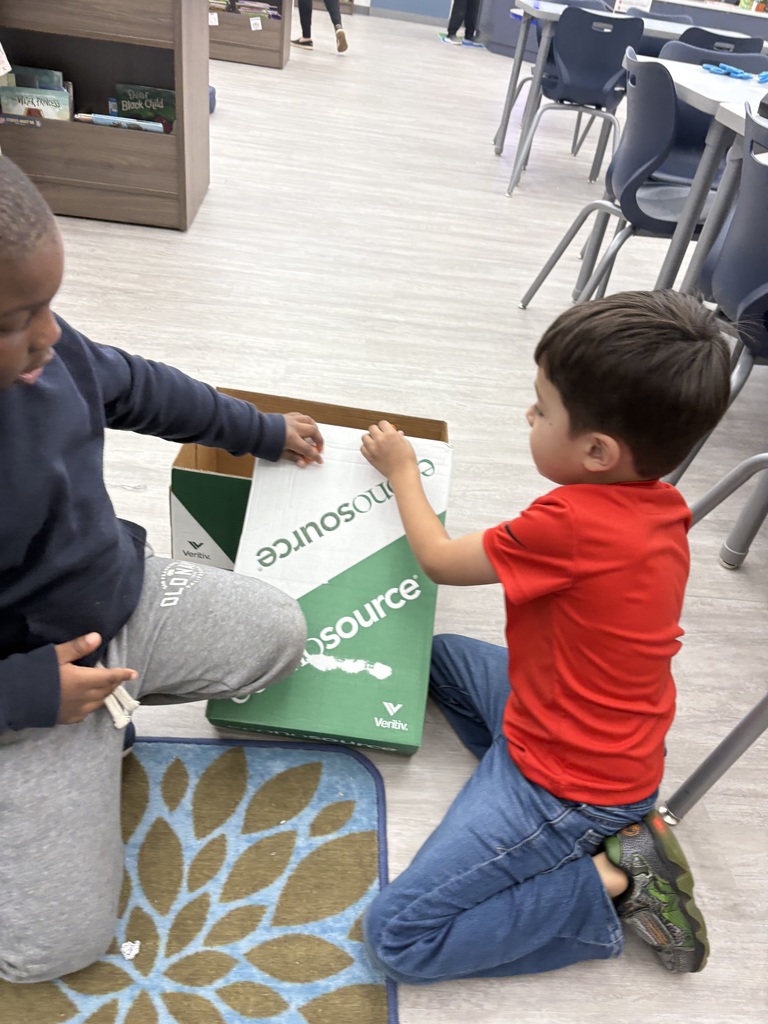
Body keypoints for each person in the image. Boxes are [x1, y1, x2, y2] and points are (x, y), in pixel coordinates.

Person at [0, 155, 325, 984]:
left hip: (120, 599)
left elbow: (140, 386)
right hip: (28, 686)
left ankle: (107, 721)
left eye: (50, 306)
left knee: (278, 631)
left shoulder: (48, 353)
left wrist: (257, 427)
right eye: (15, 319)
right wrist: (29, 693)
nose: (48, 335)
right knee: (48, 953)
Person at [359, 290, 731, 983]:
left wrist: (403, 472)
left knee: (398, 938)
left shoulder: (567, 523)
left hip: (568, 782)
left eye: (542, 407)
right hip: (590, 731)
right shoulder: (663, 504)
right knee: (434, 659)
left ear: (596, 449)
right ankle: (548, 831)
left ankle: (614, 875)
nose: (529, 415)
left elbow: (439, 559)